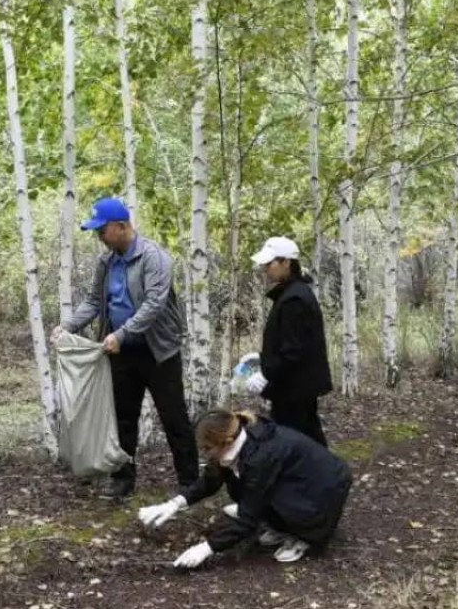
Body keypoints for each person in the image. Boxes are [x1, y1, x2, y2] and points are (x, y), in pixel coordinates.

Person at [53, 197, 199, 499]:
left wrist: (121, 333)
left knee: (174, 417)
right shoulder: (105, 263)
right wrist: (67, 326)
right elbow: (94, 302)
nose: (99, 238)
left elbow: (154, 304)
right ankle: (123, 479)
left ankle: (190, 481)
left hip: (159, 351)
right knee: (122, 418)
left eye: (102, 231)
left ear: (121, 226)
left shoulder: (154, 257)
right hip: (121, 352)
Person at [136, 409, 353, 568]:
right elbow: (210, 482)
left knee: (262, 499)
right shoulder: (239, 443)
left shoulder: (260, 458)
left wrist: (206, 548)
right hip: (298, 479)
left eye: (207, 448)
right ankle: (280, 524)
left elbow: (247, 521)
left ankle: (304, 536)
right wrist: (173, 504)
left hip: (323, 489)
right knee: (245, 491)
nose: (205, 453)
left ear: (227, 441)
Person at [240, 237, 332, 446]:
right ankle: (328, 475)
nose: (265, 269)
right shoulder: (291, 293)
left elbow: (294, 350)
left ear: (286, 262)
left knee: (294, 442)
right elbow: (289, 342)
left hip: (295, 388)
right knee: (308, 437)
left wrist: (266, 373)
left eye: (270, 263)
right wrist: (263, 359)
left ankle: (320, 475)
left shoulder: (294, 299)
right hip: (295, 385)